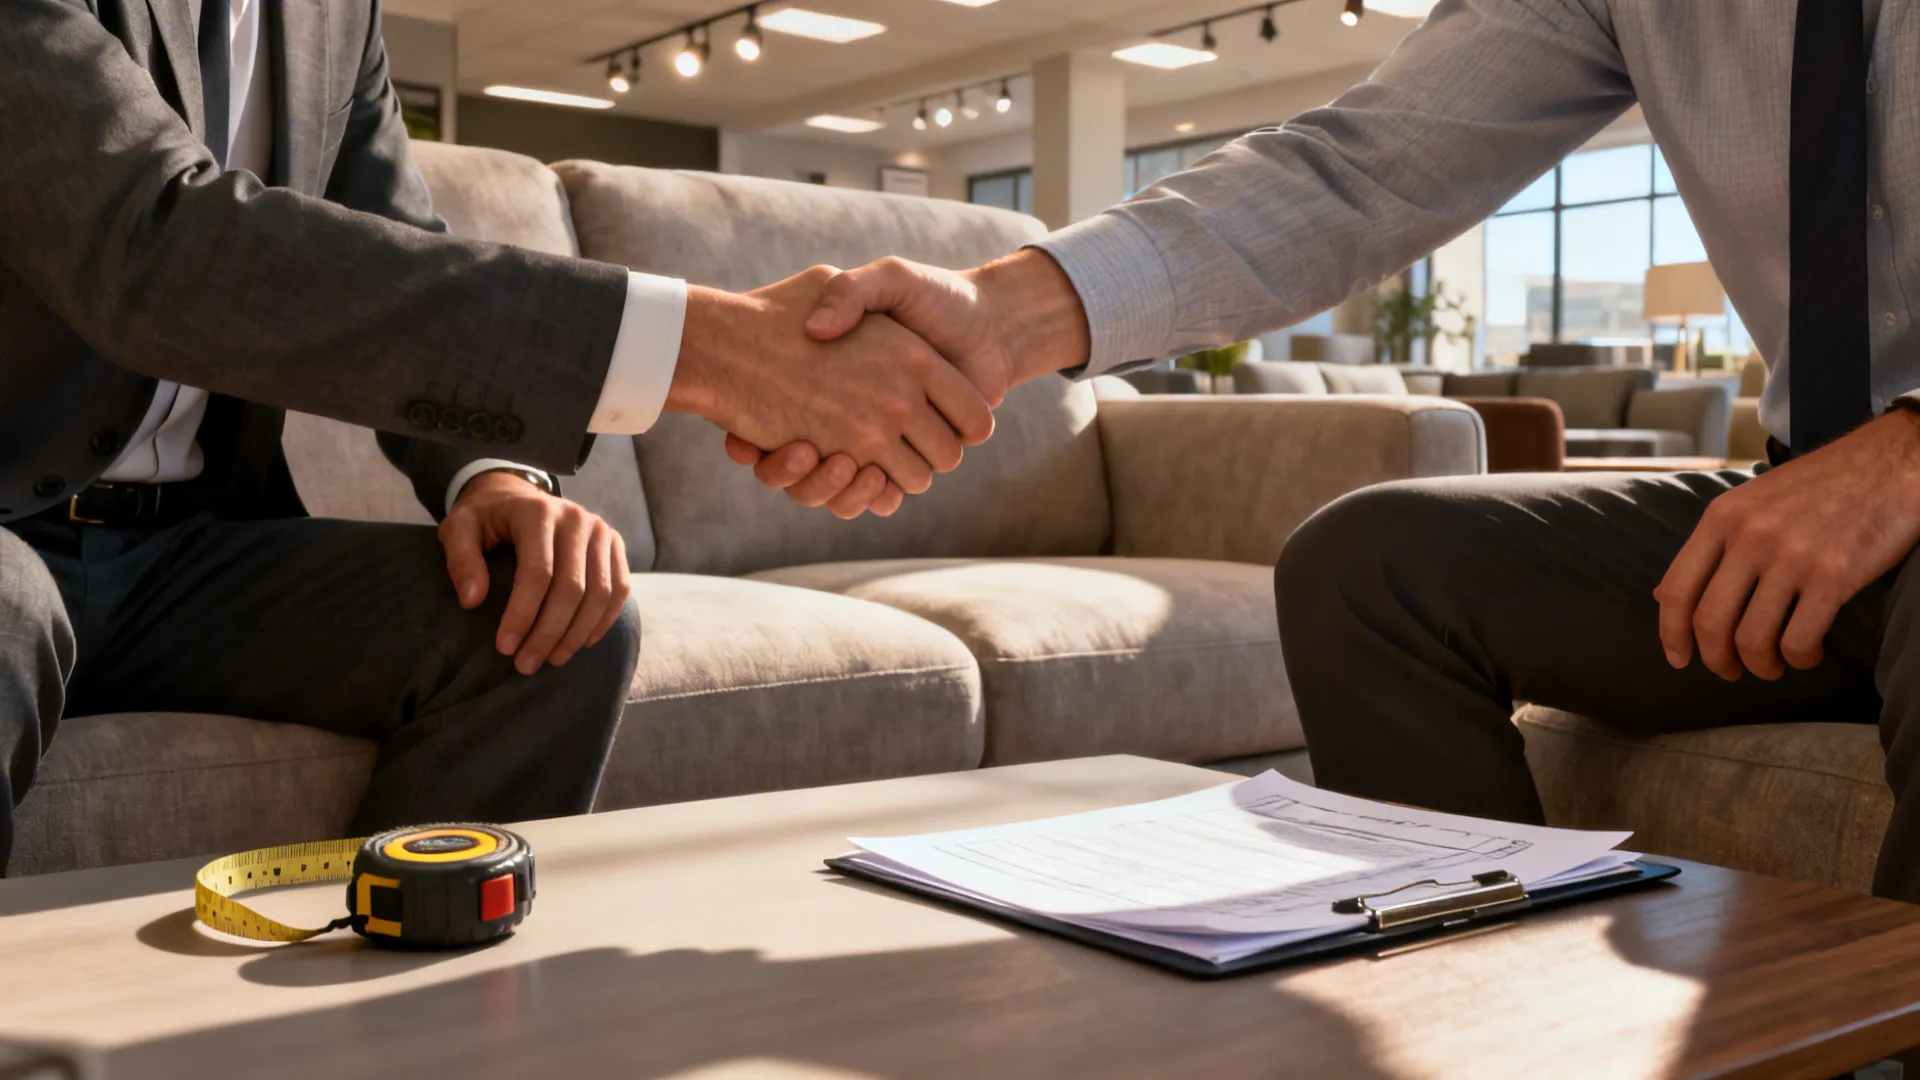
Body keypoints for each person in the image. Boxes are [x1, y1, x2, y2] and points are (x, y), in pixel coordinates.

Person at [732, 0, 1920, 902]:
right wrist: (1003, 317)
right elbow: (1360, 169)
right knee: (1367, 568)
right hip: (1800, 510)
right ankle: (1499, 1010)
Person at [0, 0, 993, 870]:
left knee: (551, 626)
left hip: (189, 551)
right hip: (9, 534)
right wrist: (717, 350)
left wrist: (493, 479)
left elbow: (392, 246)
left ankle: (393, 999)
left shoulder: (336, 15)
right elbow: (158, 248)